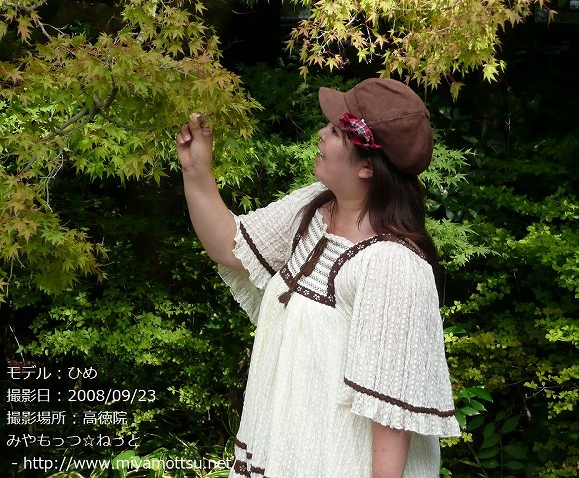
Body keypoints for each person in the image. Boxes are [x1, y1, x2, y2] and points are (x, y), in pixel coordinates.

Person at [176, 78, 460, 478]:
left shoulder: (394, 265)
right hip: (287, 454)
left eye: (336, 131)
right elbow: (230, 247)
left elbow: (391, 411)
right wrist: (196, 171)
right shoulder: (314, 208)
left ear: (367, 167)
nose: (321, 134)